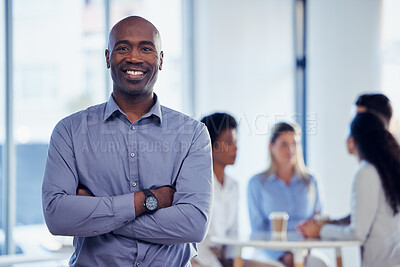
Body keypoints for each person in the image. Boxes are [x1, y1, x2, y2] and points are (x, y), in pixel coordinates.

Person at [42, 16, 213, 266]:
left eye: (146, 48)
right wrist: (146, 200)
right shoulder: (69, 131)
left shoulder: (193, 134)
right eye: (123, 48)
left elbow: (194, 225)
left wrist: (98, 217)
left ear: (161, 60)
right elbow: (57, 217)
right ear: (107, 57)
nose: (134, 57)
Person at [298, 112, 400, 266]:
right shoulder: (388, 170)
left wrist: (320, 231)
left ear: (353, 141)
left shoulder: (366, 172)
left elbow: (356, 234)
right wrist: (331, 223)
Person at [193, 113, 275, 267]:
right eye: (229, 142)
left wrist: (231, 260)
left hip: (225, 257)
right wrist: (215, 264)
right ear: (211, 146)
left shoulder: (233, 185)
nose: (236, 148)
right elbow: (193, 240)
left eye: (236, 141)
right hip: (199, 258)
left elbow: (234, 231)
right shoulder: (196, 184)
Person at [248, 122, 328, 267]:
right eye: (284, 144)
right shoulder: (257, 183)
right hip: (269, 252)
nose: (290, 149)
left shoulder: (310, 181)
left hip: (304, 251)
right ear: (271, 146)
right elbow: (257, 229)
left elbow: (317, 222)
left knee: (321, 264)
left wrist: (304, 252)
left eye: (294, 144)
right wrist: (283, 255)